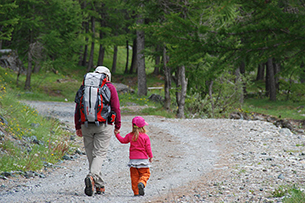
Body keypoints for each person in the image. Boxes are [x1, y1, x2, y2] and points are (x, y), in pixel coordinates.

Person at [74, 66, 121, 196]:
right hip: (104, 125)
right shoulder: (110, 87)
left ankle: (99, 186)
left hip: (86, 124)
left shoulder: (84, 86)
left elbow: (78, 106)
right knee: (99, 154)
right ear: (107, 76)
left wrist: (78, 125)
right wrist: (117, 124)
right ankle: (91, 176)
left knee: (91, 155)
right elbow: (116, 107)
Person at [114, 116, 153, 196]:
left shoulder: (130, 135)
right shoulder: (145, 137)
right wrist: (151, 156)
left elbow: (123, 141)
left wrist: (117, 134)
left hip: (133, 161)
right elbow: (148, 148)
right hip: (143, 160)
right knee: (146, 174)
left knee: (134, 177)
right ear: (143, 127)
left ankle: (136, 192)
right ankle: (142, 183)